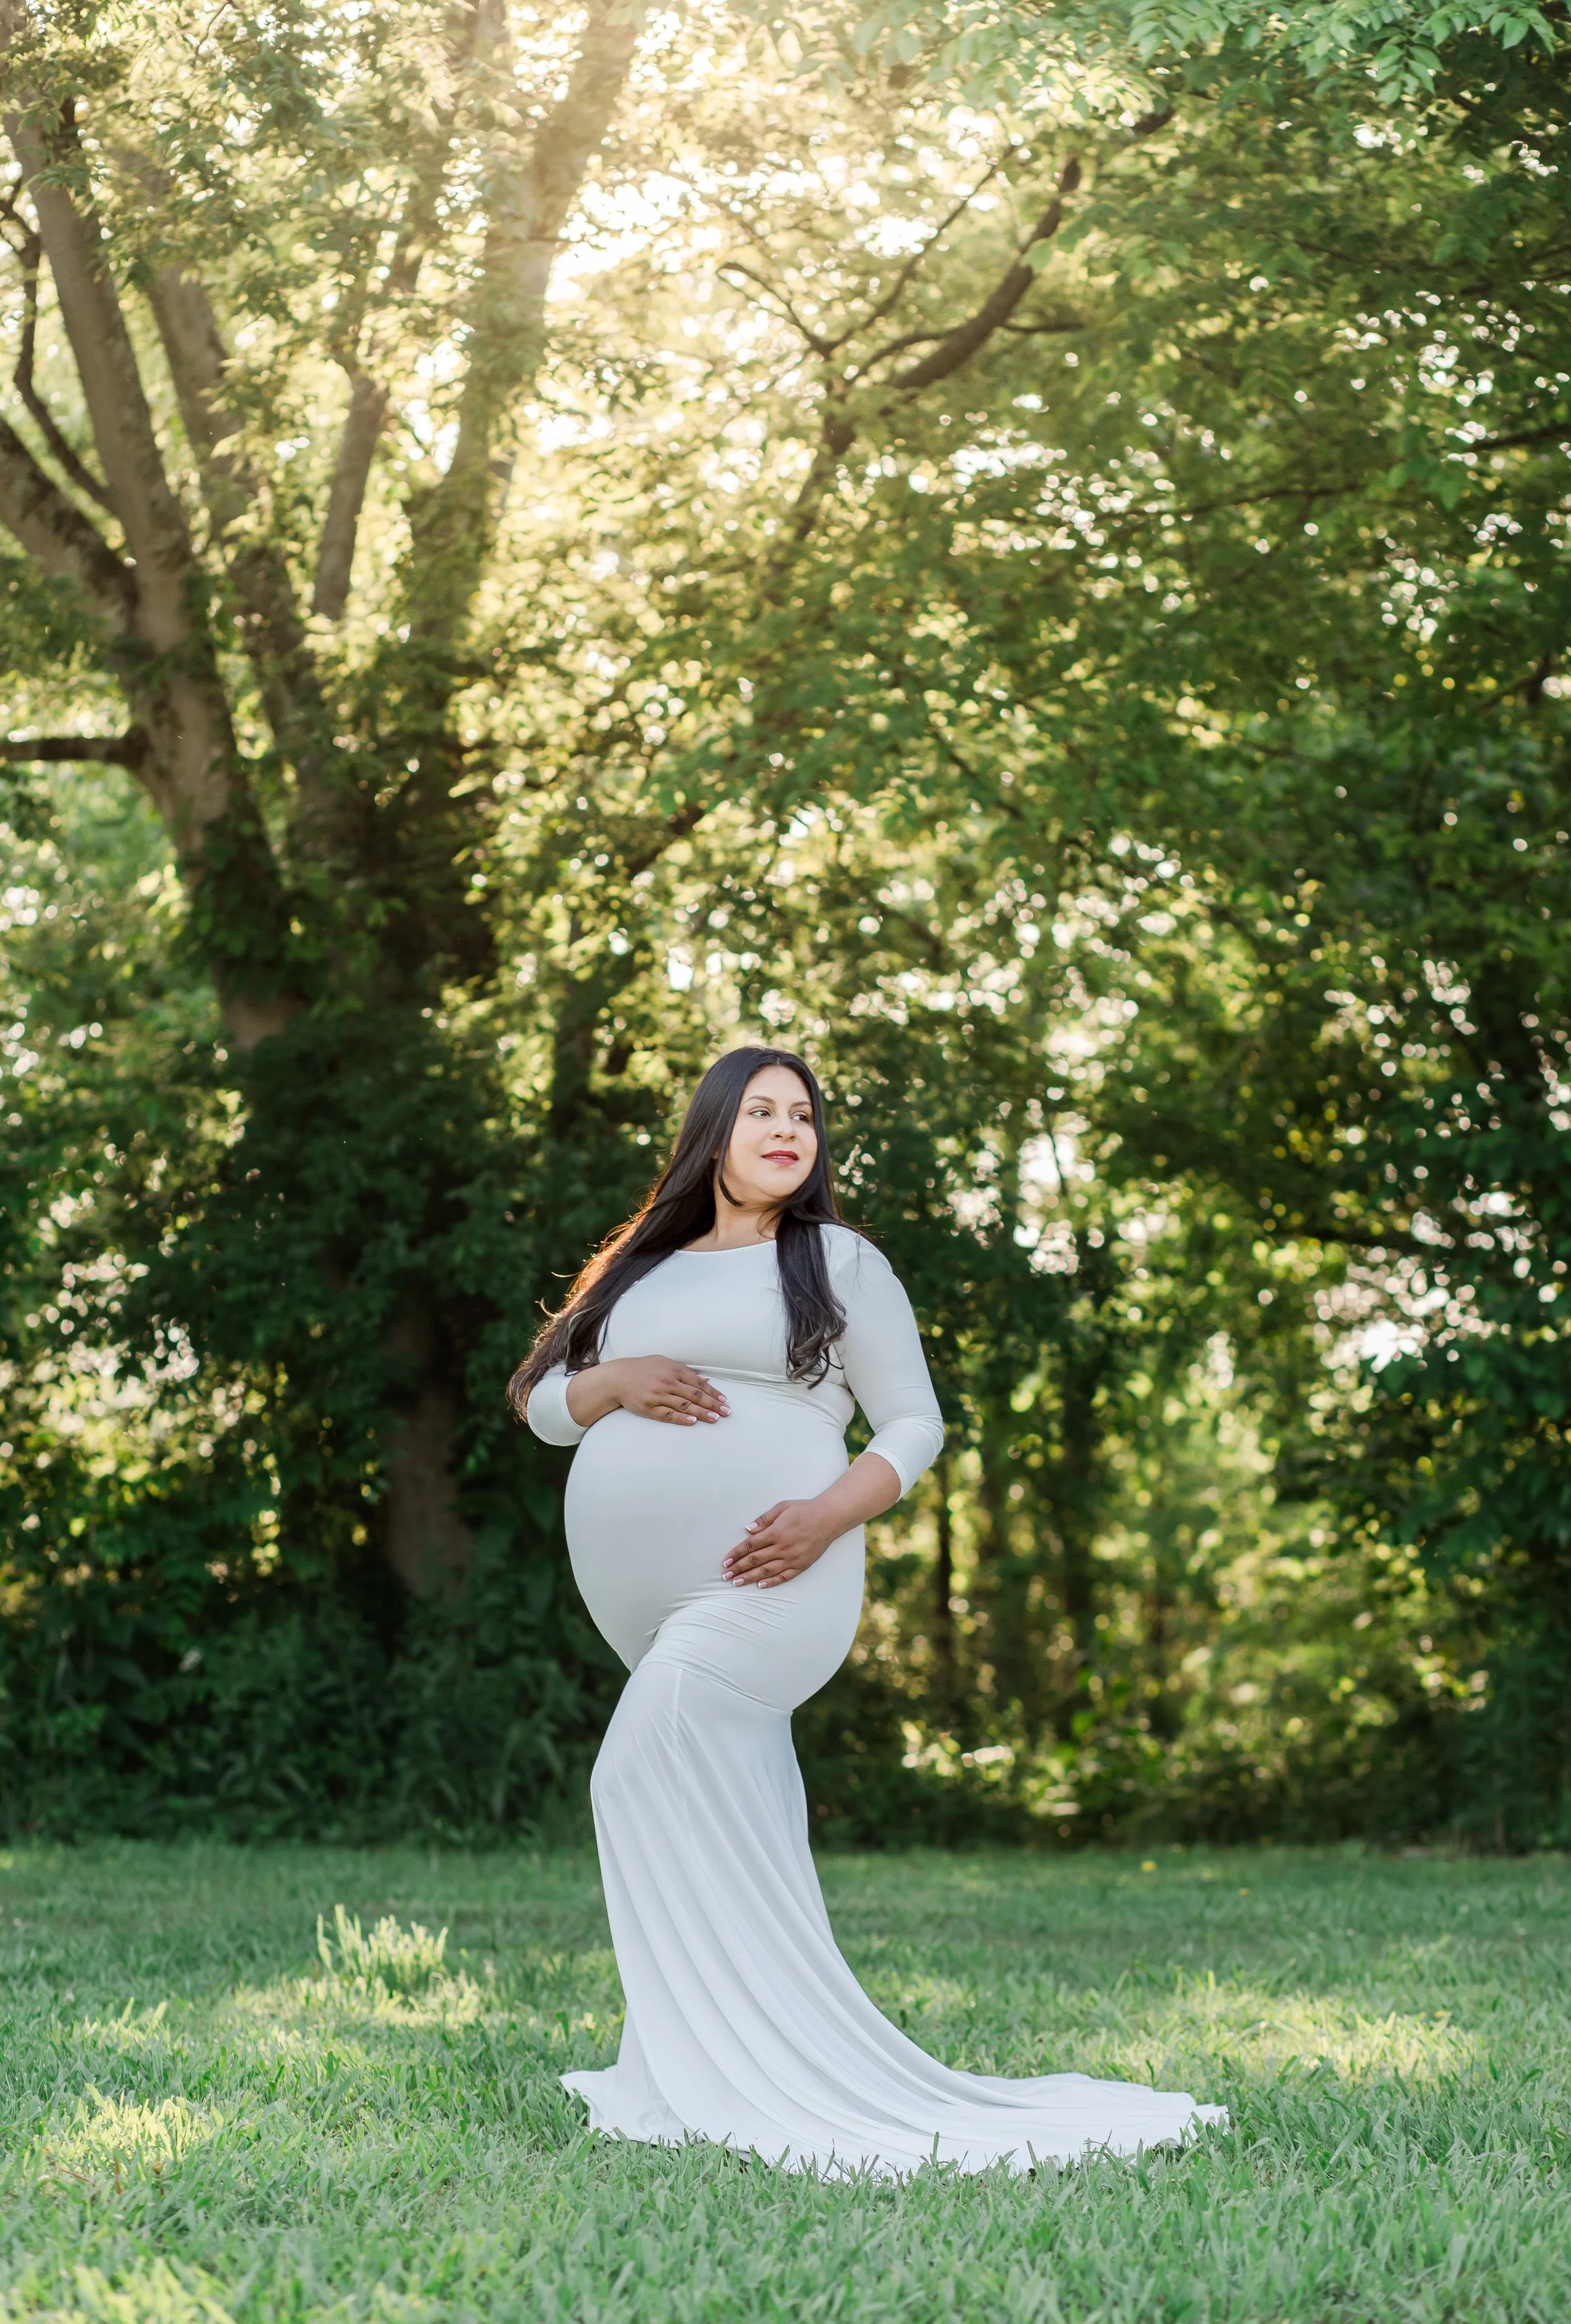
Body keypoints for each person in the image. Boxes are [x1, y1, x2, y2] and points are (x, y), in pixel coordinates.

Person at [511, 1045, 1225, 2174]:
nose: (788, 1129)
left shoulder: (835, 1259)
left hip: (778, 1576)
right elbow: (543, 1403)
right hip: (648, 1601)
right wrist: (615, 1383)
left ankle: (757, 2065)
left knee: (632, 1766)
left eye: (803, 1114)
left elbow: (913, 1424)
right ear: (713, 1130)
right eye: (762, 1111)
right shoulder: (639, 1266)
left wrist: (826, 1515)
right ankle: (688, 2056)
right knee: (727, 1809)